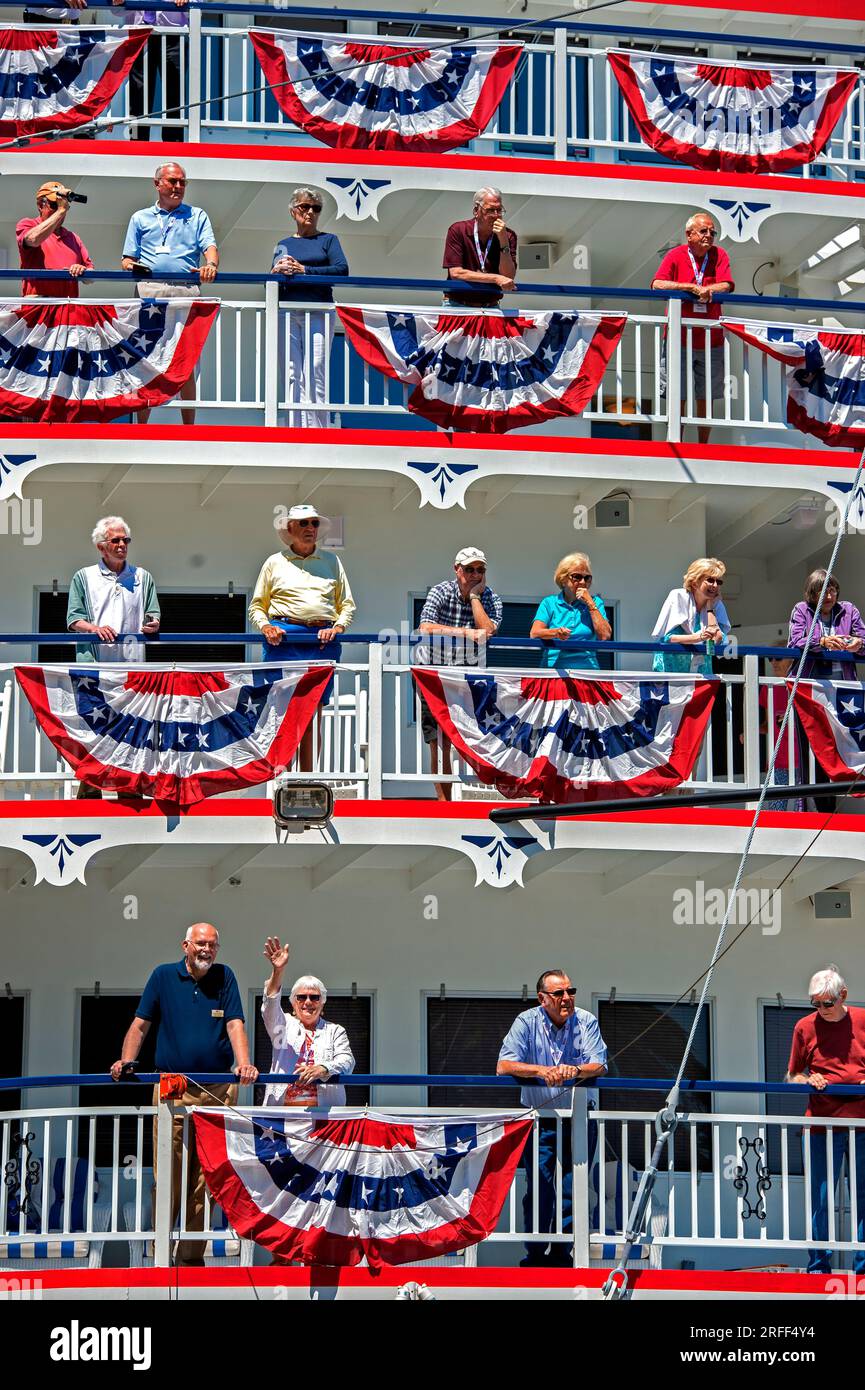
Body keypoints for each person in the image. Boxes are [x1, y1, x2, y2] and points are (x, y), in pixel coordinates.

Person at [110, 923, 258, 1266]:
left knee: (207, 1176)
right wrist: (126, 1060)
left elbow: (235, 1023)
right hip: (172, 1089)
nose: (207, 950)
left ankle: (190, 1259)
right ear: (186, 945)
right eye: (201, 944)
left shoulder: (225, 977)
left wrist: (245, 1064)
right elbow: (141, 1024)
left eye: (213, 945)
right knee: (169, 1173)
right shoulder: (163, 976)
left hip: (217, 1089)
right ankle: (161, 1256)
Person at [498, 970, 607, 1267]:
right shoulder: (526, 1021)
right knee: (539, 1188)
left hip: (579, 1119)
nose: (567, 999)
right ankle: (535, 1254)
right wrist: (542, 1071)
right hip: (539, 1118)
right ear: (542, 998)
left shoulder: (586, 1020)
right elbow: (504, 1065)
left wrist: (574, 1070)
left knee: (574, 1187)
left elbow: (598, 1065)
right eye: (559, 994)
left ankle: (563, 1254)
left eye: (570, 991)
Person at [248, 503, 356, 770]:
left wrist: (338, 627)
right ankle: (279, 777)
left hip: (321, 642)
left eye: (314, 523)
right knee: (281, 713)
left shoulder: (332, 561)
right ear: (290, 528)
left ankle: (306, 779)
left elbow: (347, 605)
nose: (310, 528)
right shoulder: (274, 562)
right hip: (283, 640)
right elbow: (257, 605)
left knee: (312, 712)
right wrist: (265, 627)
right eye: (304, 523)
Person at [121, 162, 218, 424]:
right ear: (157, 184)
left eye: (182, 182)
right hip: (150, 291)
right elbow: (127, 259)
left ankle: (189, 426)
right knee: (148, 358)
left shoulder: (197, 215)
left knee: (186, 359)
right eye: (173, 181)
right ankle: (142, 425)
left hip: (185, 291)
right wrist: (133, 266)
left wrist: (211, 265)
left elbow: (209, 246)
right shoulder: (140, 218)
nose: (178, 187)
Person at [786, 965, 865, 1276]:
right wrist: (807, 1080)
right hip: (822, 1125)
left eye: (826, 1003)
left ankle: (862, 1270)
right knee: (821, 1198)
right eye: (815, 1004)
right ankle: (819, 1267)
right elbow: (791, 1075)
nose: (821, 1009)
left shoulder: (862, 1020)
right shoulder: (804, 1028)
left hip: (862, 1124)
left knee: (864, 1198)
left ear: (843, 996)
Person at [417, 547, 503, 801]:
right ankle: (445, 802)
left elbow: (488, 630)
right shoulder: (441, 591)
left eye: (480, 570)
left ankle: (464, 796)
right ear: (457, 570)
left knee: (464, 736)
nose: (475, 574)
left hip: (466, 676)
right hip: (433, 672)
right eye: (469, 569)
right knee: (438, 741)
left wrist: (475, 598)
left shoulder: (491, 598)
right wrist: (465, 633)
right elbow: (425, 627)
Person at [651, 213, 734, 444]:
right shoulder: (675, 255)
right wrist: (690, 287)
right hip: (679, 338)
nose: (709, 236)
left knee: (706, 395)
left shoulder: (719, 255)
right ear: (689, 235)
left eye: (712, 232)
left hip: (710, 339)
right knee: (677, 393)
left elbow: (726, 285)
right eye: (704, 231)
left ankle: (702, 445)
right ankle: (676, 440)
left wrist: (708, 290)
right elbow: (657, 284)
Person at [788, 570, 865, 813]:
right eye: (822, 590)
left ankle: (835, 807)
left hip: (842, 693)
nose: (829, 595)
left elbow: (863, 637)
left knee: (844, 745)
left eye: (832, 589)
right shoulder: (801, 610)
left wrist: (858, 643)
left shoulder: (848, 610)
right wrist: (821, 642)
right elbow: (795, 641)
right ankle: (813, 809)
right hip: (810, 692)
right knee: (812, 748)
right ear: (812, 593)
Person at [272, 189, 348, 428]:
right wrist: (274, 273)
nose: (311, 213)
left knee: (315, 368)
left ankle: (318, 428)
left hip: (319, 310)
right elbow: (273, 278)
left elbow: (341, 269)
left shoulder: (328, 240)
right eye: (305, 207)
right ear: (293, 210)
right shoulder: (283, 244)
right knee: (292, 370)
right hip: (288, 311)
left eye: (316, 208)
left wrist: (305, 270)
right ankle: (296, 427)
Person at [260, 937, 355, 1107]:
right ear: (293, 1002)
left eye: (315, 997)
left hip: (324, 1117)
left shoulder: (335, 1030)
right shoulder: (282, 1025)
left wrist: (323, 1068)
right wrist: (278, 971)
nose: (308, 1002)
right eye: (302, 997)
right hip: (283, 1115)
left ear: (322, 1002)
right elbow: (270, 1005)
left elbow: (347, 1061)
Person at [67, 515, 160, 664]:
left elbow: (153, 614)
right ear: (101, 547)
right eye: (116, 540)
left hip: (132, 667)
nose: (122, 544)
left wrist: (154, 624)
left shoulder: (144, 577)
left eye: (126, 540)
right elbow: (74, 620)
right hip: (93, 669)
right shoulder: (83, 577)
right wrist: (94, 629)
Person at [113, 0, 188, 143]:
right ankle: (136, 141)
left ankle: (174, 144)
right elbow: (115, 10)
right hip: (139, 34)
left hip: (173, 35)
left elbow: (198, 5)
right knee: (137, 93)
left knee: (174, 92)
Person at [530, 552, 611, 669]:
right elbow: (534, 633)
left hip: (587, 672)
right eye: (577, 577)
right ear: (563, 580)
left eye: (587, 578)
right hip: (554, 671)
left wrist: (590, 604)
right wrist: (556, 633)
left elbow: (605, 636)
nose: (583, 582)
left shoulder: (596, 602)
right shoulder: (549, 603)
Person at [651, 558, 731, 676]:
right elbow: (668, 638)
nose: (715, 585)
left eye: (718, 582)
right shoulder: (678, 596)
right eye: (710, 580)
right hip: (671, 666)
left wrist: (710, 608)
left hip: (701, 670)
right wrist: (699, 637)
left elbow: (716, 640)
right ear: (695, 582)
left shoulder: (716, 604)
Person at [443, 186, 518, 308]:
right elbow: (456, 274)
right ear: (476, 211)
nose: (496, 215)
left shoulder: (509, 235)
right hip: (457, 305)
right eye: (490, 210)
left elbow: (508, 277)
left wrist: (503, 241)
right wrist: (495, 278)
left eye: (499, 210)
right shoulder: (458, 230)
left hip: (492, 306)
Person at [17, 181, 93, 299]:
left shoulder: (74, 238)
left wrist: (82, 270)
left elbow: (90, 278)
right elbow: (33, 239)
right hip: (39, 310)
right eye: (55, 205)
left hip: (67, 310)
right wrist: (61, 211)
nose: (60, 208)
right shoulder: (28, 224)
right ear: (40, 205)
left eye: (63, 205)